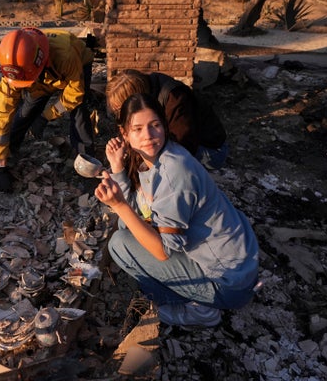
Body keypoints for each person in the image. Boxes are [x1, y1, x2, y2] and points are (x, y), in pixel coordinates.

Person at [94, 93, 259, 328]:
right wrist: (117, 167)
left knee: (120, 244)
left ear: (164, 125)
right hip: (233, 265)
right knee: (124, 225)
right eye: (138, 129)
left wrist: (119, 205)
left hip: (227, 282)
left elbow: (162, 252)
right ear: (125, 134)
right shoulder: (154, 159)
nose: (148, 136)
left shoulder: (174, 173)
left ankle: (200, 310)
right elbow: (140, 212)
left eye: (154, 126)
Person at [0, 27, 95, 192]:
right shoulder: (14, 68)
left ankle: (86, 162)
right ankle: (9, 153)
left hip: (77, 65)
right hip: (37, 77)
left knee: (79, 112)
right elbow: (2, 113)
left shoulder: (65, 55)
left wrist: (46, 116)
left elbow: (74, 94)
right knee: (26, 112)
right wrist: (0, 164)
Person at [105, 69, 228, 170]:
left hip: (210, 149)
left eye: (121, 109)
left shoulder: (174, 98)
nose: (121, 114)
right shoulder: (148, 89)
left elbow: (183, 146)